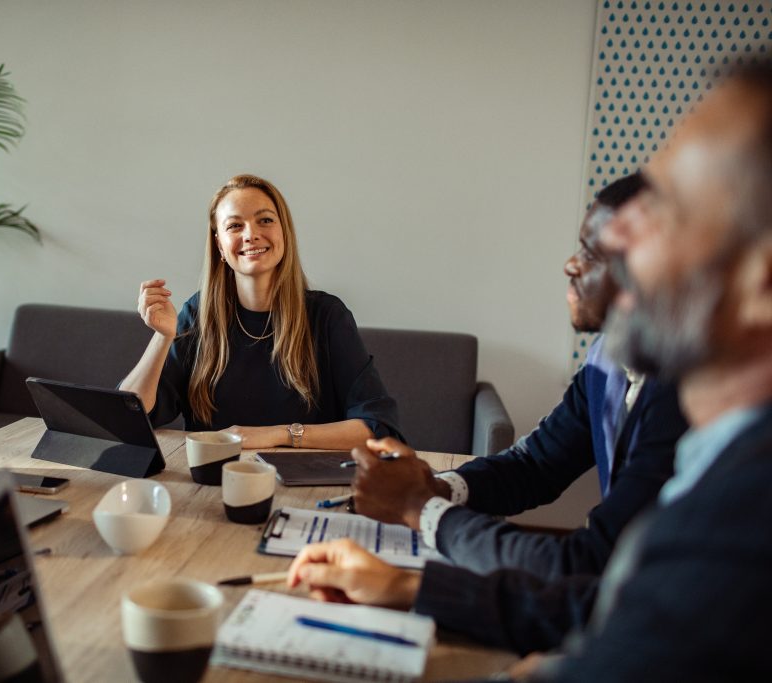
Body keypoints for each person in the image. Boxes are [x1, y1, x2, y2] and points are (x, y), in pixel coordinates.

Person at [290, 66, 772, 681]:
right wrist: (414, 583)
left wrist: (422, 507)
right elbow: (603, 600)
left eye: (670, 205)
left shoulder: (742, 516)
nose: (621, 234)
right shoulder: (703, 446)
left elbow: (602, 594)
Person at [354, 174, 687, 583]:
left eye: (590, 252)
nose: (570, 265)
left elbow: (585, 565)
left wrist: (421, 509)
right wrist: (437, 487)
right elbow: (535, 465)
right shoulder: (607, 357)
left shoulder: (684, 399)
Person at [120, 174, 401, 449]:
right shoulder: (197, 313)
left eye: (265, 220)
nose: (251, 235)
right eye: (235, 226)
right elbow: (132, 417)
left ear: (284, 232)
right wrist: (163, 337)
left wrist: (278, 435)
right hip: (214, 475)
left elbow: (376, 427)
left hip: (304, 476)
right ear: (219, 245)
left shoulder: (326, 316)